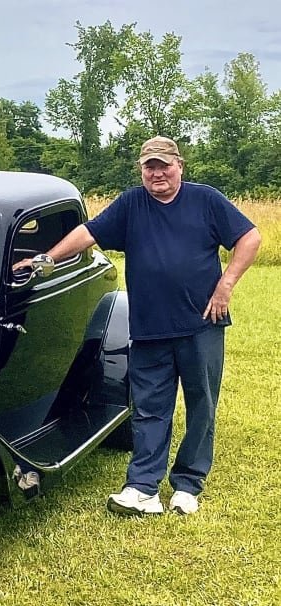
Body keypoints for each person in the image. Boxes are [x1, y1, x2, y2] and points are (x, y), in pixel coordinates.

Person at [14, 136, 261, 516]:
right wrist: (45, 258)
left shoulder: (206, 200)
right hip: (148, 327)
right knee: (148, 407)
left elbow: (249, 236)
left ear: (180, 165)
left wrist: (225, 285)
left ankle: (188, 485)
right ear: (142, 171)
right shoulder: (132, 203)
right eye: (150, 166)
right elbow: (89, 234)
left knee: (202, 404)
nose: (157, 173)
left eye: (164, 165)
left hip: (201, 324)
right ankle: (143, 488)